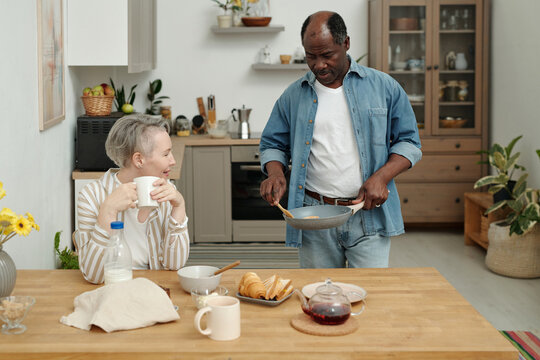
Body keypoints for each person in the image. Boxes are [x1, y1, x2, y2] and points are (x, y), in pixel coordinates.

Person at [259, 11, 422, 268]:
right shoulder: (293, 95)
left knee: (368, 298)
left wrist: (381, 177)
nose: (319, 65)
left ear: (345, 44)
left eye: (327, 55)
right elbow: (273, 144)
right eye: (311, 56)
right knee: (318, 298)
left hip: (367, 214)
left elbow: (409, 142)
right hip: (314, 216)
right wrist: (276, 173)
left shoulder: (384, 87)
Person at [77, 114, 190, 284]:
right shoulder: (92, 196)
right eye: (166, 154)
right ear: (139, 160)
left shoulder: (167, 192)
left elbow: (175, 265)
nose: (173, 161)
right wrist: (108, 210)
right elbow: (94, 276)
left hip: (155, 291)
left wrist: (179, 207)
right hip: (113, 293)